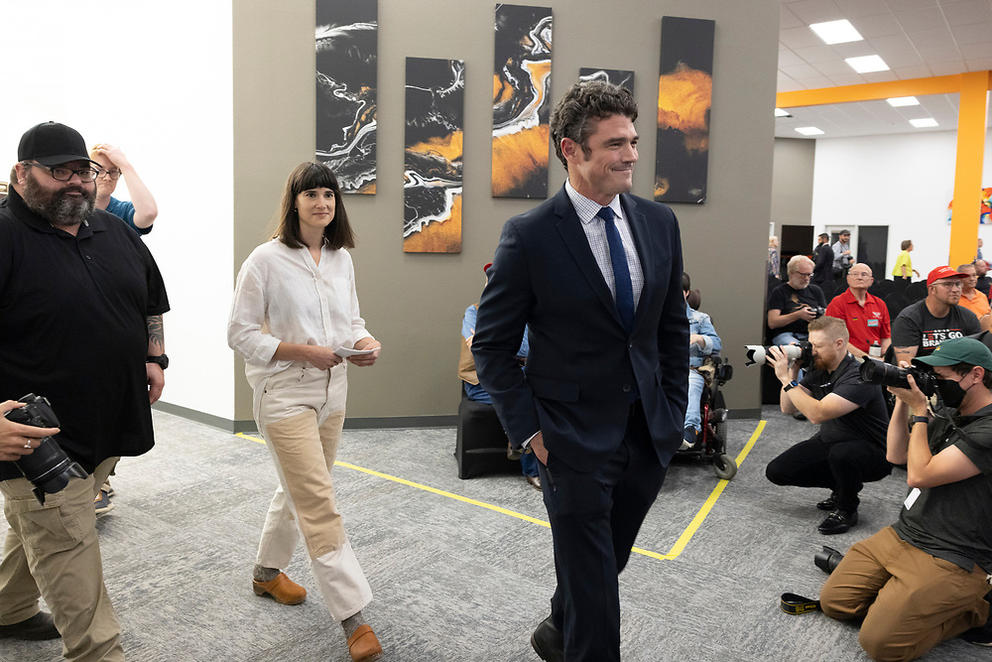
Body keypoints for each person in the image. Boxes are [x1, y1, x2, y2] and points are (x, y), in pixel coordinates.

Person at [472, 80, 687, 662]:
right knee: (596, 588)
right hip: (566, 435)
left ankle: (555, 630)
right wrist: (531, 433)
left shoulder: (659, 222)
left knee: (602, 561)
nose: (632, 155)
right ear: (571, 149)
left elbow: (669, 328)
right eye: (616, 144)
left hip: (647, 431)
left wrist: (669, 409)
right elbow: (491, 347)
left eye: (634, 141)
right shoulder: (531, 235)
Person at [0, 121, 169, 659]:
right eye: (58, 172)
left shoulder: (111, 230)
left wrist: (153, 354)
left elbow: (149, 298)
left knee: (50, 522)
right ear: (22, 174)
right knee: (68, 537)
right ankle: (101, 652)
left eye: (82, 170)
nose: (74, 182)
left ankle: (8, 609)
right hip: (35, 438)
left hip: (108, 418)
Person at [228, 162, 383, 662]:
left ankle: (266, 575)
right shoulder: (264, 261)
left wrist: (363, 342)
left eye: (329, 194)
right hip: (284, 394)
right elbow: (240, 334)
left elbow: (352, 319)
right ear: (293, 201)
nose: (322, 202)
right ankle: (353, 618)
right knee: (318, 500)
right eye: (311, 194)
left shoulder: (341, 259)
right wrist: (303, 351)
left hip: (334, 390)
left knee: (298, 488)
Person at [820, 337, 992, 658]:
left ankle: (976, 609)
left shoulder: (988, 427)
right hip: (905, 533)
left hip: (952, 553)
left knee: (881, 645)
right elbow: (895, 454)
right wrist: (902, 401)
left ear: (976, 375)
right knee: (836, 603)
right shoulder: (948, 408)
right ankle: (907, 599)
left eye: (941, 377)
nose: (935, 384)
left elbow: (919, 475)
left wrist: (920, 412)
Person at [764, 316, 891, 534]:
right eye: (811, 344)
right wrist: (793, 373)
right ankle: (842, 486)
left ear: (839, 343)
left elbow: (816, 414)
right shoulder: (820, 368)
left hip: (873, 451)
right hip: (832, 440)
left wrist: (785, 379)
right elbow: (788, 408)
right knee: (777, 471)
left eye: (818, 346)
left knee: (842, 455)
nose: (812, 350)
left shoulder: (861, 375)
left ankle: (847, 508)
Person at [459, 262, 541, 489]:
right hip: (481, 382)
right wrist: (499, 347)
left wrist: (498, 345)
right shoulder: (474, 312)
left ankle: (519, 440)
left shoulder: (526, 314)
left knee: (539, 396)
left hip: (520, 377)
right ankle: (531, 464)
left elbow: (527, 350)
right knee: (523, 400)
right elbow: (479, 347)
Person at [891, 266, 981, 364]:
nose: (956, 289)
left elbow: (975, 358)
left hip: (958, 375)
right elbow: (906, 365)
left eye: (958, 284)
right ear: (932, 289)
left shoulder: (968, 317)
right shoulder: (909, 319)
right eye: (948, 284)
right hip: (921, 375)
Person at [682, 272, 721, 450]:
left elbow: (716, 345)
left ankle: (690, 430)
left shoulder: (700, 319)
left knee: (690, 383)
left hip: (692, 368)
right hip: (661, 367)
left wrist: (699, 339)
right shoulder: (656, 317)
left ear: (686, 293)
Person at [825, 263, 891, 358]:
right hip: (848, 358)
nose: (859, 278)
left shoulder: (880, 304)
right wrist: (867, 359)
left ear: (871, 281)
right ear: (848, 279)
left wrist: (885, 356)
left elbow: (886, 337)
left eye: (864, 274)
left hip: (877, 359)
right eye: (855, 274)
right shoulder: (838, 303)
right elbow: (835, 339)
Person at [90, 144, 158, 235]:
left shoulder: (124, 211)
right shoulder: (73, 209)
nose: (107, 178)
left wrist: (124, 165)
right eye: (100, 170)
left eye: (113, 171)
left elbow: (148, 213)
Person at [767, 255, 826, 346]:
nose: (806, 278)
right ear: (791, 273)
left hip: (812, 334)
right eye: (803, 275)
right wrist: (798, 315)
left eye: (809, 275)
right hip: (786, 334)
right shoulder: (779, 292)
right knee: (798, 349)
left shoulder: (815, 290)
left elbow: (827, 316)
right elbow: (772, 322)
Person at [955, 263, 992, 331]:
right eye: (967, 276)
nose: (972, 279)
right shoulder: (953, 297)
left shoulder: (982, 296)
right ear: (959, 278)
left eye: (974, 275)